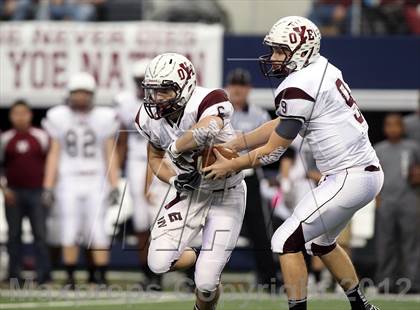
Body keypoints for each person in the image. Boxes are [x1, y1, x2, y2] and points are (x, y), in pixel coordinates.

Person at [203, 16, 383, 310]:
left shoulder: (299, 83)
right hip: (361, 173)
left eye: (280, 51)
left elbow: (274, 150)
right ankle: (362, 306)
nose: (273, 58)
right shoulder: (320, 67)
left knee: (284, 241)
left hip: (349, 176)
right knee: (321, 243)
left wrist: (231, 165)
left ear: (302, 50)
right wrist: (236, 142)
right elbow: (281, 123)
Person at [135, 53, 246, 310]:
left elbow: (209, 126)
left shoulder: (208, 99)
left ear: (185, 87)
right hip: (190, 190)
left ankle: (207, 274)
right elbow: (154, 158)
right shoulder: (147, 117)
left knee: (206, 283)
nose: (156, 98)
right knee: (158, 262)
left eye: (164, 90)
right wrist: (174, 179)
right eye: (152, 91)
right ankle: (203, 259)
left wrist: (176, 147)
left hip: (226, 192)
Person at [42, 72, 120, 288]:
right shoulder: (59, 116)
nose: (81, 97)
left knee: (98, 230)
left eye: (85, 93)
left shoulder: (103, 117)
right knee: (69, 227)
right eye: (77, 93)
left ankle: (101, 277)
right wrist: (48, 185)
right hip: (68, 179)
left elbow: (109, 153)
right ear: (69, 94)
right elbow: (54, 154)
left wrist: (114, 183)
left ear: (92, 95)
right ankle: (69, 277)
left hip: (96, 179)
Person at [225, 68, 278, 289]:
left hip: (249, 176)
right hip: (223, 177)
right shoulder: (220, 113)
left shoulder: (259, 115)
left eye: (242, 85)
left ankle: (269, 279)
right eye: (234, 84)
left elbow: (270, 145)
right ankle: (199, 277)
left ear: (249, 89)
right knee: (214, 227)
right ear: (228, 87)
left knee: (260, 229)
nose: (237, 89)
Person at [113, 59, 163, 289]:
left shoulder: (167, 99)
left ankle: (175, 271)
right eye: (138, 81)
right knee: (142, 221)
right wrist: (114, 173)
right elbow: (122, 141)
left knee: (165, 218)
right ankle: (149, 274)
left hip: (164, 160)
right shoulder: (125, 102)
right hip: (136, 161)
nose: (143, 86)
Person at [0, 100, 51, 285]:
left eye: (23, 113)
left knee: (40, 234)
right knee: (14, 236)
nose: (20, 117)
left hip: (37, 192)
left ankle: (44, 275)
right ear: (10, 116)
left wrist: (47, 189)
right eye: (16, 113)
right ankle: (14, 275)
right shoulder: (6, 139)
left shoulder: (41, 137)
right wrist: (4, 189)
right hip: (13, 193)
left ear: (30, 115)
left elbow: (50, 163)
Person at [374, 113, 420, 294]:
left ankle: (412, 282)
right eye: (389, 125)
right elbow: (373, 176)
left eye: (397, 125)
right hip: (386, 201)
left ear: (403, 128)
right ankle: (386, 282)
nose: (393, 129)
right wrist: (377, 198)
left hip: (409, 200)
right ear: (385, 128)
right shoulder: (378, 150)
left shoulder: (412, 147)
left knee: (411, 243)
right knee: (386, 243)